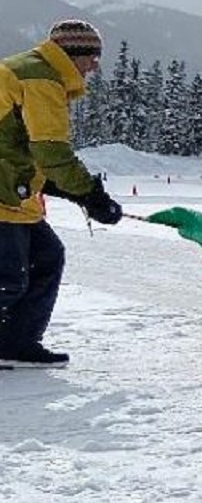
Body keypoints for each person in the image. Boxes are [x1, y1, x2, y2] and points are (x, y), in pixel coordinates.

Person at [0, 20, 124, 367]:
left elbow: (21, 146)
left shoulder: (32, 70)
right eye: (92, 57)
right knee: (7, 278)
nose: (95, 67)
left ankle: (15, 344)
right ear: (73, 55)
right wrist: (91, 193)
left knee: (47, 256)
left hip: (13, 187)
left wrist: (73, 192)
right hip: (3, 190)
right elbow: (52, 150)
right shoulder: (40, 79)